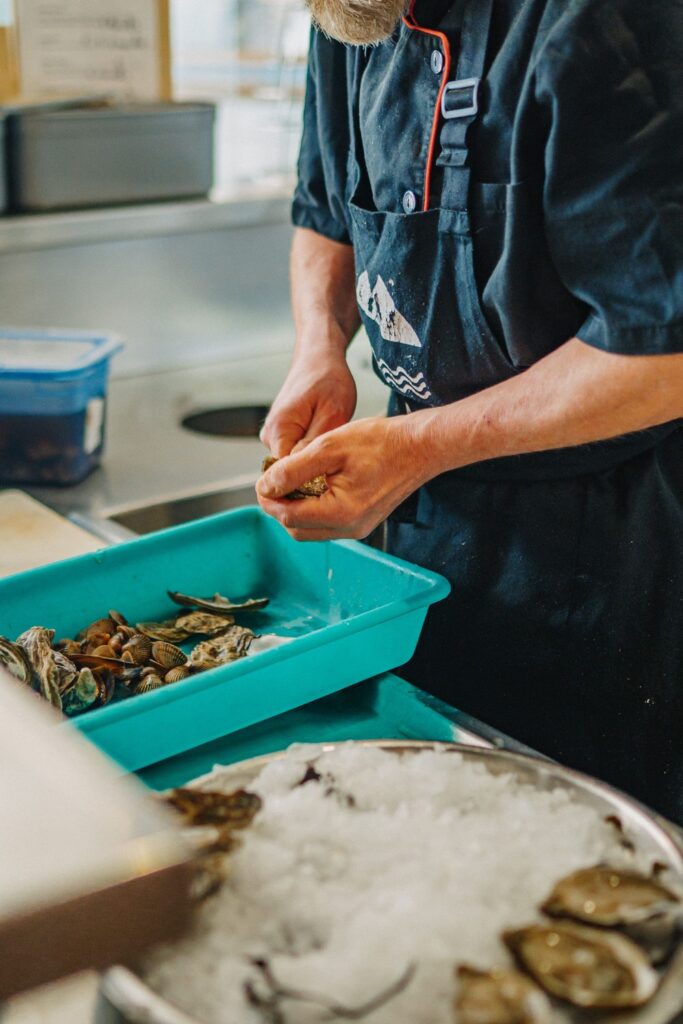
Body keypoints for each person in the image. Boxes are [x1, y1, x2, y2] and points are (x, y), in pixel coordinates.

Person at [256, 0, 683, 821]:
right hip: (430, 519)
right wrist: (320, 349)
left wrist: (418, 446)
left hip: (620, 545)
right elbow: (324, 214)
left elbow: (660, 350)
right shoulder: (351, 12)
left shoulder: (605, 21)